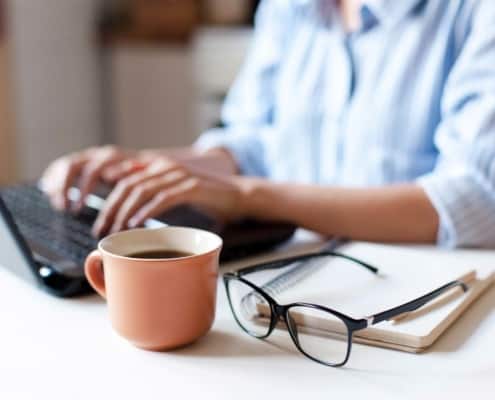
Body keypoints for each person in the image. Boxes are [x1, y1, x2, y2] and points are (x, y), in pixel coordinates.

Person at [41, 0, 495, 248]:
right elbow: (253, 144)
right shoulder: (288, 8)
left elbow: (471, 201)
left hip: (423, 303)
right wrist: (142, 168)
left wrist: (246, 197)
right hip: (297, 281)